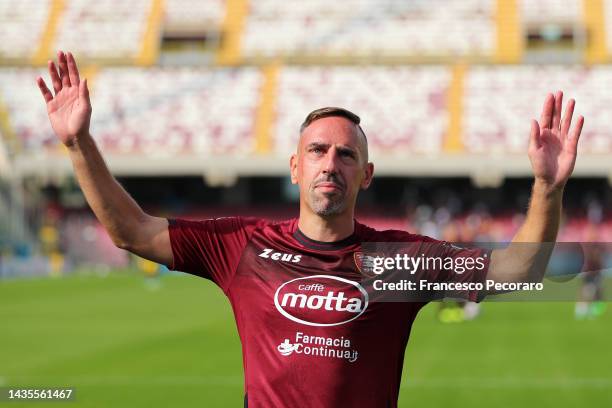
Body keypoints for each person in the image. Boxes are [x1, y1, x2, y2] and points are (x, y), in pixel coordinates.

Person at [37, 51, 584, 407]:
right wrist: (77, 143)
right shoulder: (242, 246)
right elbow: (132, 230)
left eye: (346, 155)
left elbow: (520, 269)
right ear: (295, 167)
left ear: (365, 175)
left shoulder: (399, 262)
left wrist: (548, 187)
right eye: (317, 151)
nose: (331, 163)